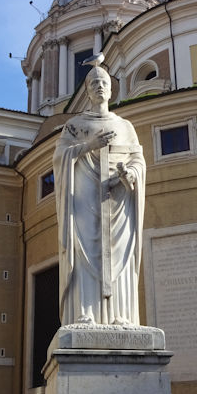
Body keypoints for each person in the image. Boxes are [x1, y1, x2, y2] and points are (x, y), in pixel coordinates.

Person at [53, 58, 146, 326]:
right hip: (84, 200)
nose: (100, 86)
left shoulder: (125, 126)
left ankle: (121, 315)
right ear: (87, 90)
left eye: (103, 82)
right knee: (84, 252)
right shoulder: (75, 125)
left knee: (120, 254)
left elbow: (137, 159)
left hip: (119, 201)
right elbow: (59, 157)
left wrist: (131, 174)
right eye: (94, 83)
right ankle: (85, 313)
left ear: (111, 88)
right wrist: (88, 146)